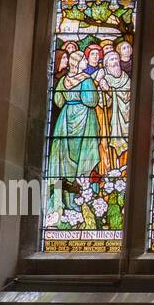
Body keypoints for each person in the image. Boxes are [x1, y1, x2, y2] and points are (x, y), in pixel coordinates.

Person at [45, 51, 102, 214]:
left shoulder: (63, 80)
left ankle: (62, 201)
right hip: (84, 119)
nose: (85, 61)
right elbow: (91, 101)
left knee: (65, 161)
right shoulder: (86, 81)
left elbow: (58, 101)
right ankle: (80, 200)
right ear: (78, 63)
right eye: (83, 59)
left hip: (65, 119)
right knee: (83, 159)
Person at [94, 49, 132, 173]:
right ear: (106, 64)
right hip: (108, 119)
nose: (115, 61)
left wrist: (110, 90)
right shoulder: (103, 76)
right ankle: (108, 172)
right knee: (107, 144)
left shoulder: (126, 77)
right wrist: (101, 86)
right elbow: (98, 100)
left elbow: (129, 96)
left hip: (125, 118)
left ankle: (124, 172)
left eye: (116, 59)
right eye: (112, 59)